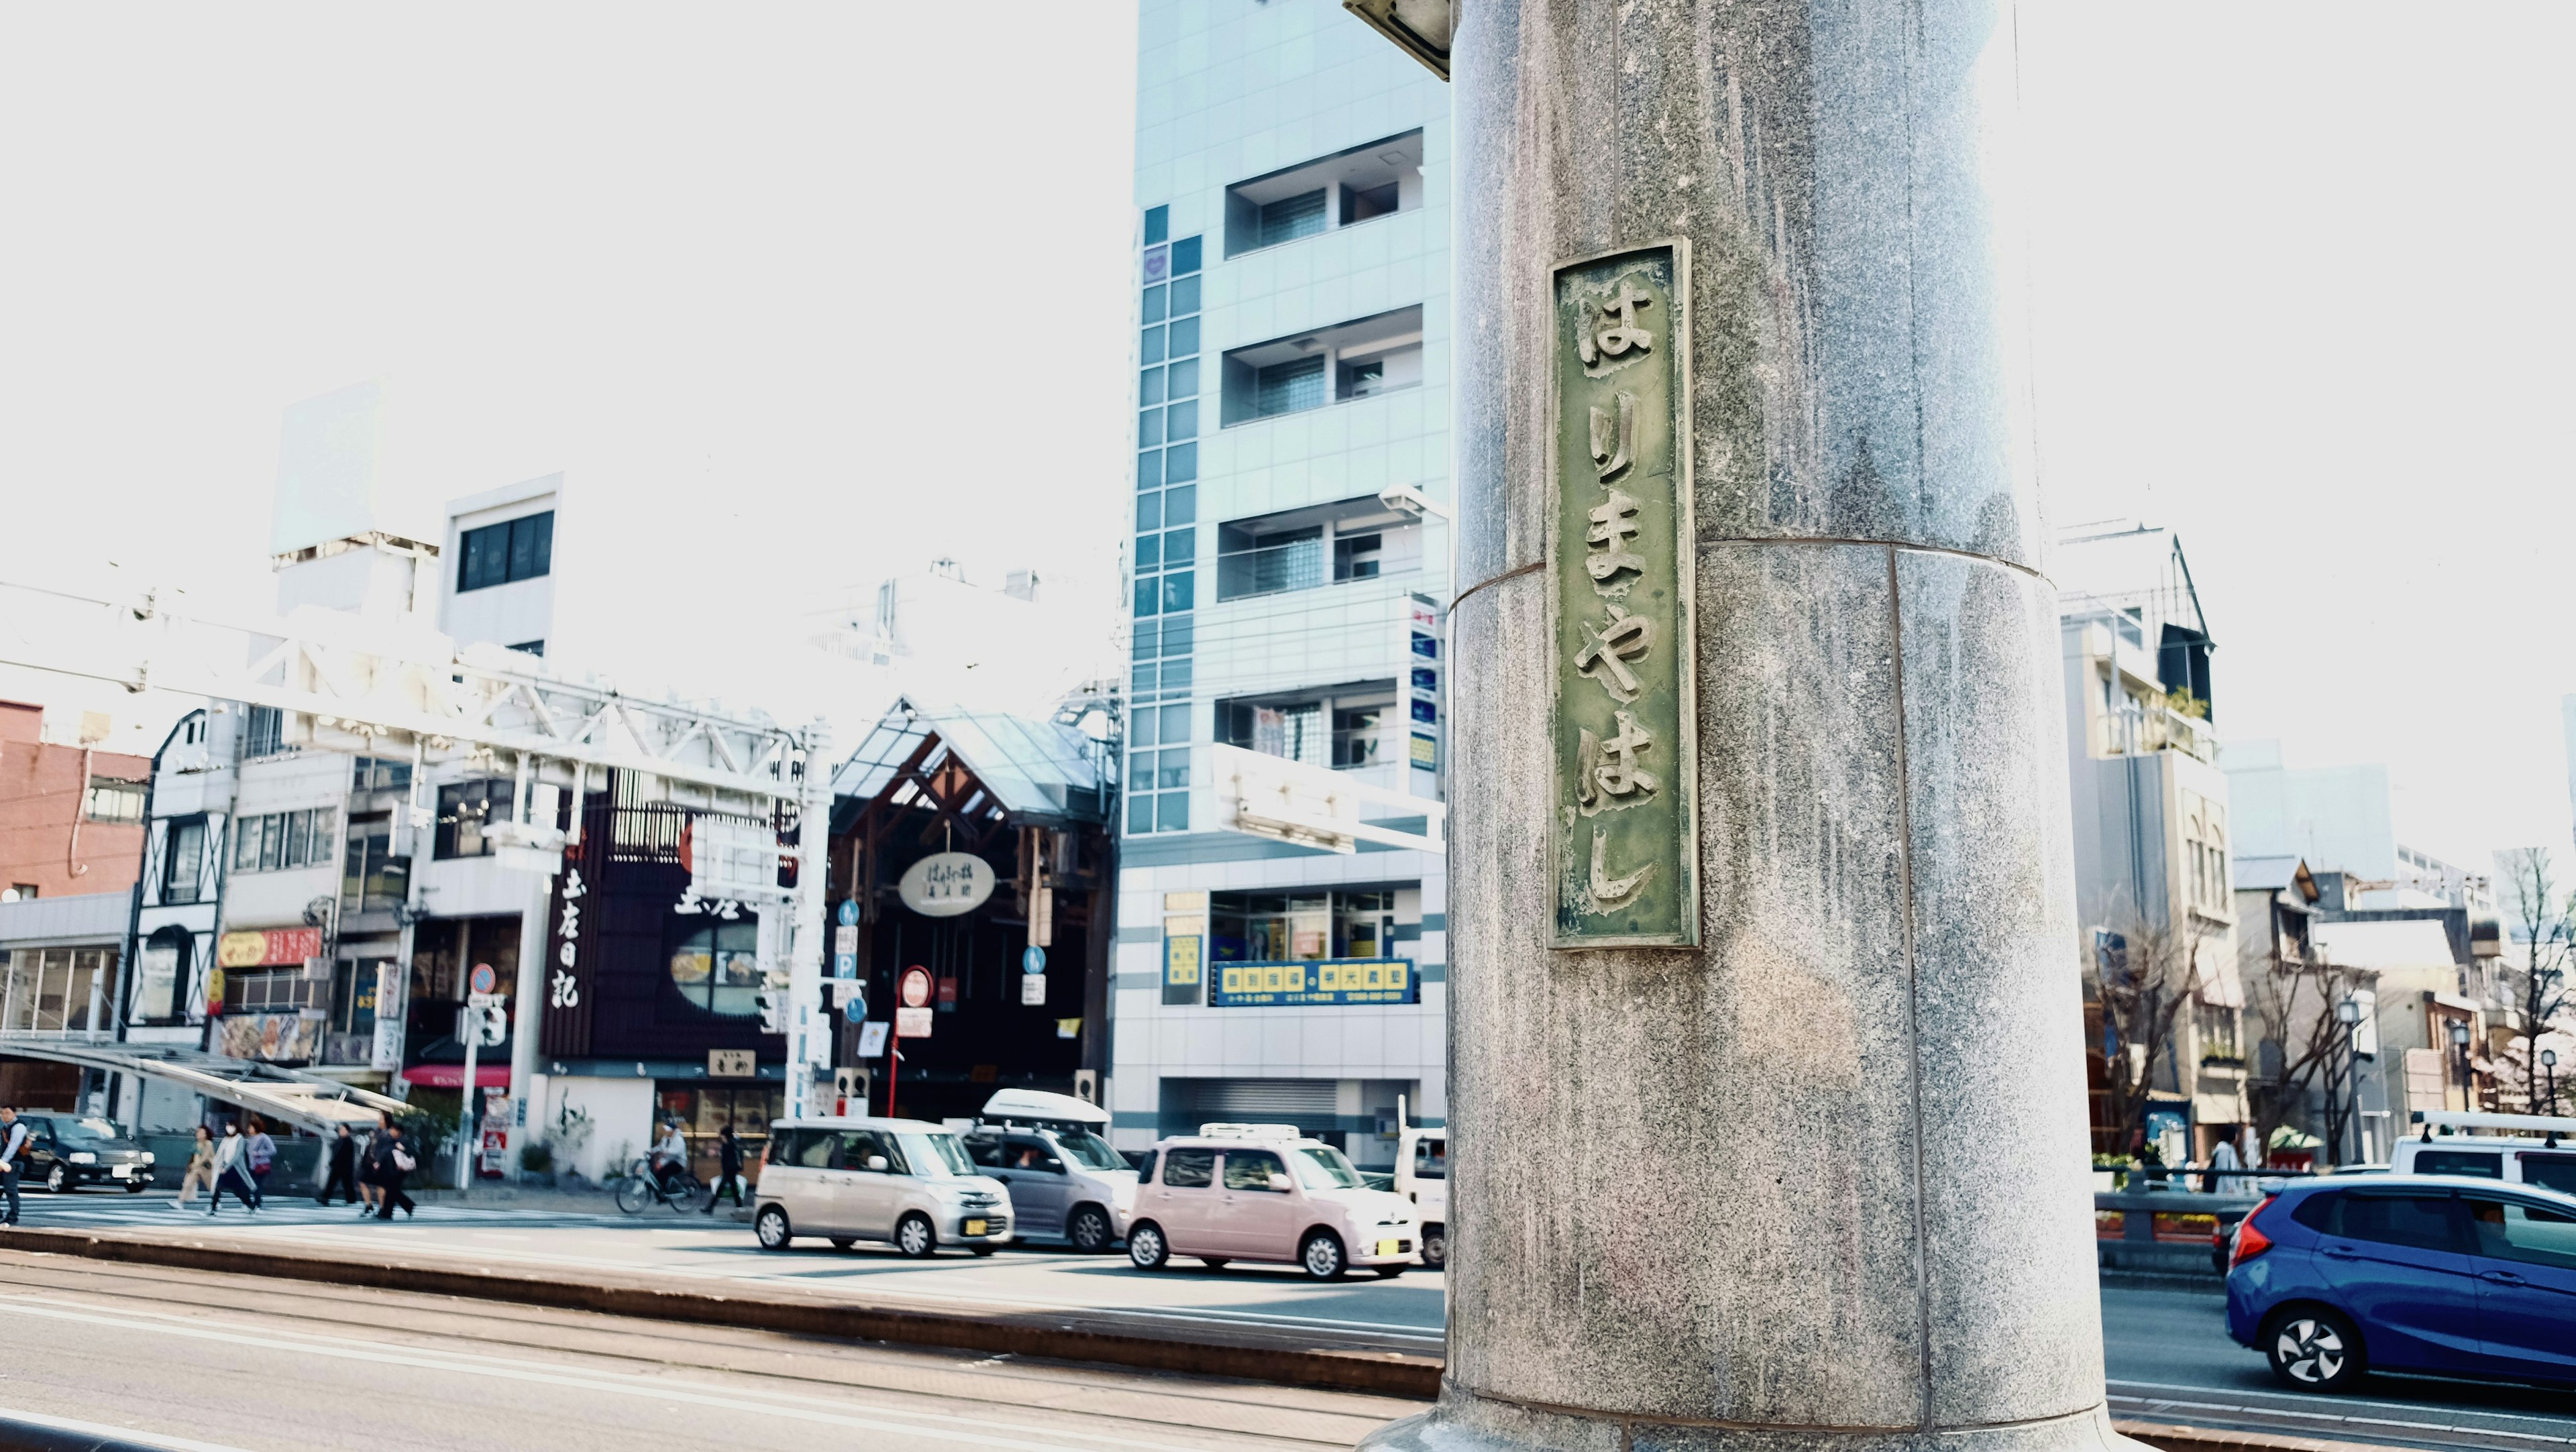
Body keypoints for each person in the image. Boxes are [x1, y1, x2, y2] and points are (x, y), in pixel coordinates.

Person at [208, 1122, 258, 1215]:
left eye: (231, 1126)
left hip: (235, 1169)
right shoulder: (226, 1139)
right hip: (225, 1167)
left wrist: (226, 1167)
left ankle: (250, 1205)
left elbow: (237, 1155)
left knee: (237, 1190)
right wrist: (218, 1164)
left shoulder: (240, 1138)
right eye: (227, 1126)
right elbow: (221, 1153)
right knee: (218, 1187)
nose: (229, 1128)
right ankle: (213, 1208)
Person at [374, 1123, 416, 1220]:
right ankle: (406, 1206)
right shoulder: (390, 1140)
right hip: (389, 1169)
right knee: (392, 1191)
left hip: (400, 1170)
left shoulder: (404, 1141)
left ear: (399, 1132)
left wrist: (403, 1149)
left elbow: (411, 1153)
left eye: (394, 1130)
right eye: (391, 1129)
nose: (391, 1132)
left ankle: (388, 1213)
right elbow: (385, 1153)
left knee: (391, 1190)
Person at [701, 1125, 745, 1214]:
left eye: (722, 1135)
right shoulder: (733, 1143)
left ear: (725, 1135)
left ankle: (710, 1208)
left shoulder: (728, 1144)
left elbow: (724, 1156)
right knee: (733, 1190)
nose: (721, 1137)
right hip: (732, 1169)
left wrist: (717, 1153)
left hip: (729, 1170)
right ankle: (740, 1208)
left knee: (721, 1189)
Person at [172, 1126, 217, 1211]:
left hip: (207, 1168)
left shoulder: (208, 1144)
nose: (198, 1134)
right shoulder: (197, 1144)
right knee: (187, 1184)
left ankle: (216, 1202)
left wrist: (196, 1165)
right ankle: (180, 1202)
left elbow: (205, 1157)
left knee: (210, 1186)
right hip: (196, 1168)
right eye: (198, 1132)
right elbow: (195, 1156)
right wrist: (192, 1165)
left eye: (200, 1132)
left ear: (205, 1135)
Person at [317, 1123, 360, 1207]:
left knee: (340, 1183)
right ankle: (349, 1199)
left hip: (342, 1166)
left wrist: (332, 1163)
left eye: (343, 1130)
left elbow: (340, 1154)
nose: (341, 1132)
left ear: (348, 1131)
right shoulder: (343, 1140)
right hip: (342, 1166)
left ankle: (326, 1197)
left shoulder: (346, 1141)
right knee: (341, 1184)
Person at [650, 1118, 691, 1198]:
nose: (666, 1132)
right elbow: (661, 1147)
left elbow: (677, 1151)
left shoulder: (679, 1139)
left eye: (668, 1130)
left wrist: (666, 1152)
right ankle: (661, 1195)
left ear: (673, 1131)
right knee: (658, 1174)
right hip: (669, 1160)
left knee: (664, 1172)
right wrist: (653, 1151)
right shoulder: (665, 1138)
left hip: (679, 1162)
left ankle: (665, 1193)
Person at [0, 1107, 27, 1226]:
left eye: (8, 1113)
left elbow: (14, 1146)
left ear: (14, 1113)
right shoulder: (6, 1127)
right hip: (5, 1162)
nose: (5, 1116)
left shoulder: (18, 1126)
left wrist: (3, 1161)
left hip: (14, 1163)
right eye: (2, 1113)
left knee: (10, 1189)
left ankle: (13, 1216)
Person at [242, 1115, 275, 1209]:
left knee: (257, 1184)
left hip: (260, 1165)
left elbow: (273, 1150)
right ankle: (252, 1203)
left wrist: (259, 1153)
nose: (249, 1129)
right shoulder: (250, 1138)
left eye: (251, 1127)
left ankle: (256, 1203)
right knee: (249, 1184)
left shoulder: (264, 1138)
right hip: (251, 1165)